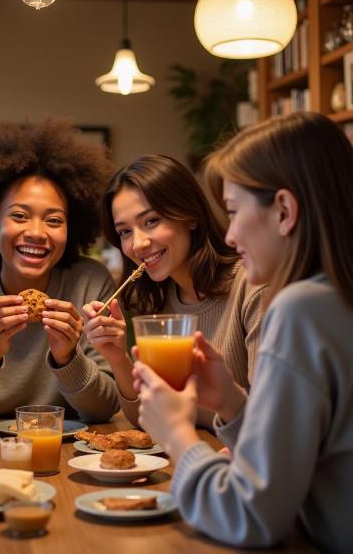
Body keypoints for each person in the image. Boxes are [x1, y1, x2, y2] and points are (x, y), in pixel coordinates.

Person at [134, 112, 353, 552]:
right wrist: (233, 404)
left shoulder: (300, 309)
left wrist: (177, 434)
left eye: (233, 212)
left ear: (285, 212)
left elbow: (250, 516)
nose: (230, 236)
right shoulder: (336, 297)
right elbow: (303, 461)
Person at [0, 119, 119, 422]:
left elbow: (104, 409)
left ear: (71, 228)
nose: (37, 232)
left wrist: (67, 357)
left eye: (53, 220)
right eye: (20, 215)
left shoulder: (90, 283)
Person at [83, 155, 263, 427]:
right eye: (124, 232)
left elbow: (271, 424)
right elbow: (148, 420)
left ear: (189, 216)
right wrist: (116, 357)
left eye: (151, 221)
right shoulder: (161, 301)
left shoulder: (252, 286)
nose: (138, 244)